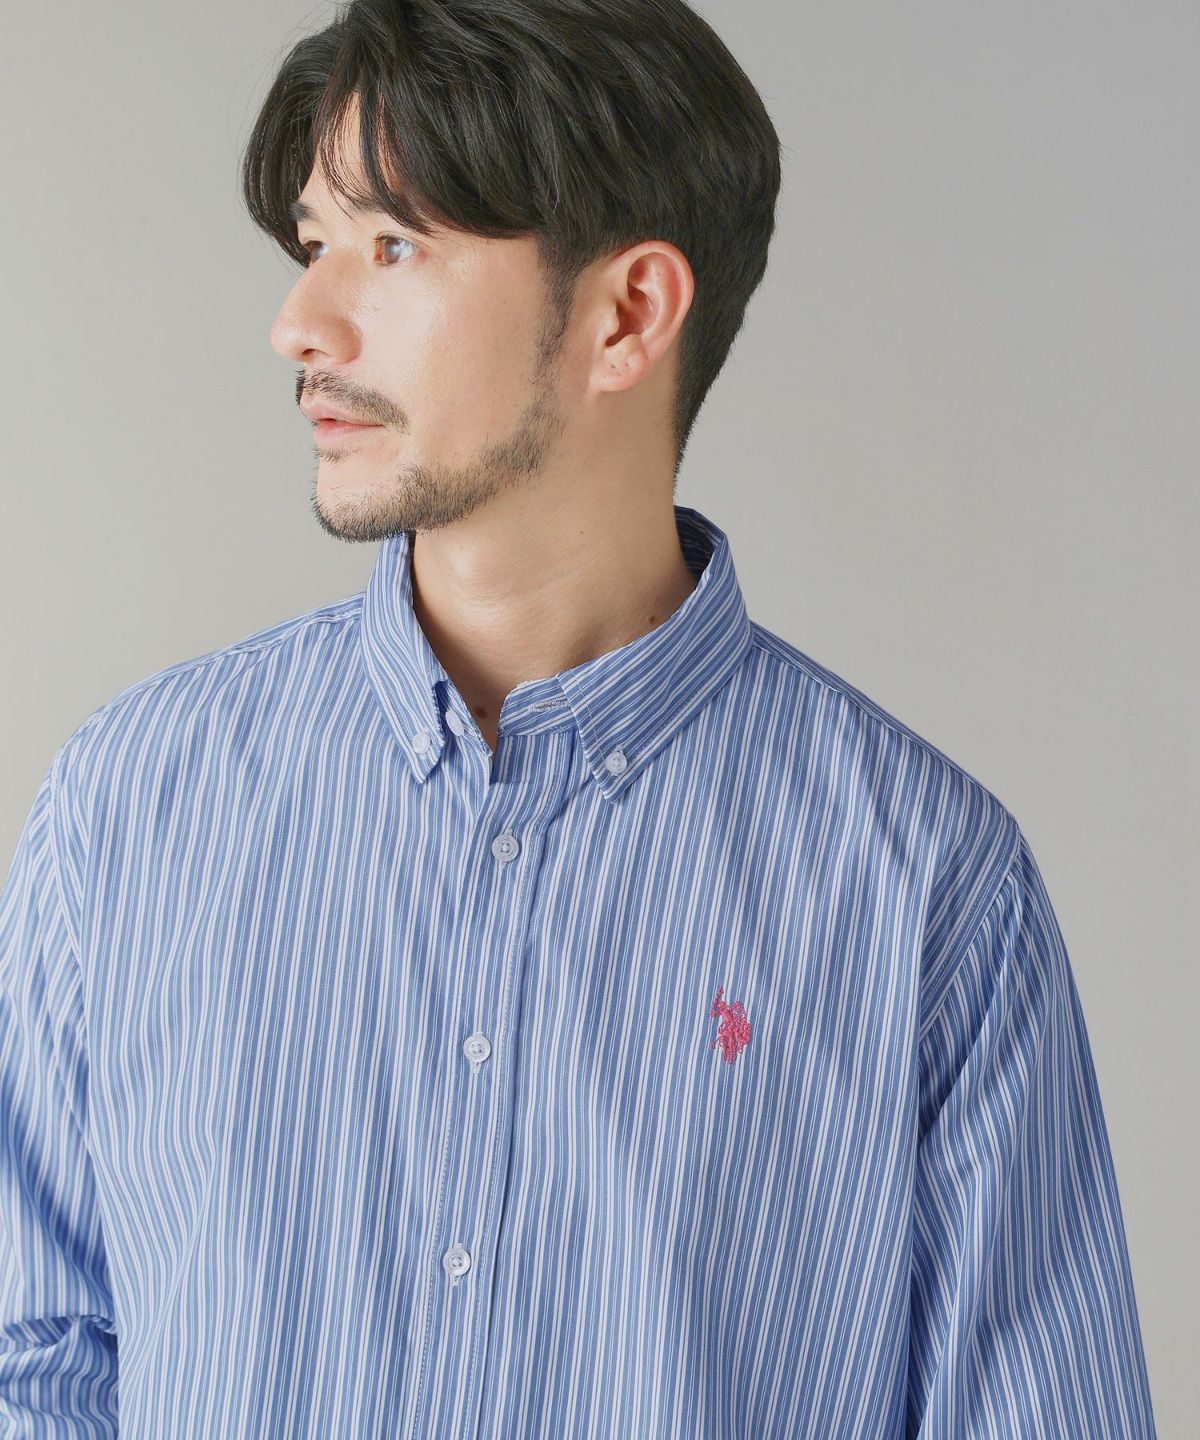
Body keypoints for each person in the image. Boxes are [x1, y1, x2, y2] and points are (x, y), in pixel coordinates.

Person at [0, 1, 1158, 1435]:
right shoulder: (129, 806)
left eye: (393, 246)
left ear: (628, 315)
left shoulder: (930, 889)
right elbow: (31, 1365)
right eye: (314, 243)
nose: (301, 323)